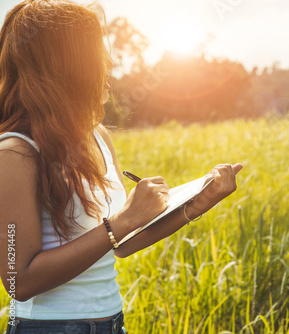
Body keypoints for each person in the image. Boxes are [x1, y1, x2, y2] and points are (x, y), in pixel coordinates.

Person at [0, 0, 242, 333]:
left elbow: (123, 243)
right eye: (97, 56)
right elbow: (19, 280)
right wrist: (121, 221)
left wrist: (198, 203)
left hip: (112, 323)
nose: (108, 66)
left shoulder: (97, 137)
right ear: (68, 68)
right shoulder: (16, 154)